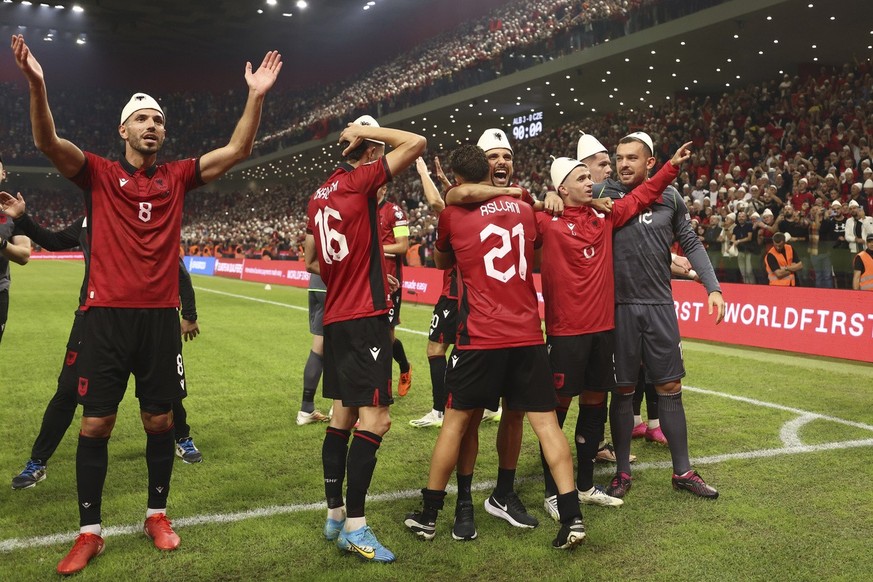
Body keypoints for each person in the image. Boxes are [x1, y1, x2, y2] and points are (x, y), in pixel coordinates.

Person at [11, 34, 282, 574]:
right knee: (95, 427)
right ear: (124, 130)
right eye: (143, 119)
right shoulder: (97, 174)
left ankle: (156, 514)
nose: (153, 125)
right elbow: (48, 143)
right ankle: (90, 532)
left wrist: (255, 97)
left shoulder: (177, 176)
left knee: (160, 421)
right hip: (106, 319)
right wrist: (38, 87)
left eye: (159, 119)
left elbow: (237, 152)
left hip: (160, 320)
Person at [404, 144, 586, 549]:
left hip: (480, 337)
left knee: (455, 425)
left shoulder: (453, 214)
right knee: (547, 427)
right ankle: (572, 517)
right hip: (527, 334)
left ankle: (430, 515)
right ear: (487, 169)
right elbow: (534, 255)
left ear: (456, 176)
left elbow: (441, 262)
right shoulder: (525, 207)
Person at [1, 198, 205, 490]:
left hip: (149, 321)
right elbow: (54, 240)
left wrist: (190, 314)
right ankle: (38, 461)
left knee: (162, 389)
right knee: (68, 389)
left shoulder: (144, 221)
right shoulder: (87, 222)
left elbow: (176, 267)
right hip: (93, 320)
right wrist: (22, 219)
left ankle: (182, 438)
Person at [537, 141, 692, 519]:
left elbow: (644, 194)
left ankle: (587, 485)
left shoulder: (605, 217)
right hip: (566, 333)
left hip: (603, 330)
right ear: (562, 188)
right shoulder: (543, 220)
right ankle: (553, 492)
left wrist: (671, 166)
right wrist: (542, 199)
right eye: (582, 178)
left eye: (591, 176)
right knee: (556, 413)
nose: (592, 182)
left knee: (594, 407)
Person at [304, 114, 425, 563]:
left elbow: (311, 260)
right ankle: (356, 525)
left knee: (342, 415)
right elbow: (416, 142)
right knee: (376, 421)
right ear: (372, 151)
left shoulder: (318, 196)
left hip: (336, 315)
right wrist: (374, 135)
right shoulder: (359, 181)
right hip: (363, 316)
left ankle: (335, 514)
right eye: (377, 149)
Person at [596, 131, 724, 500]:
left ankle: (683, 471)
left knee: (669, 388)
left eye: (631, 158)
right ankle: (622, 471)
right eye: (619, 158)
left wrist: (712, 286)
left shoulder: (670, 196)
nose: (622, 164)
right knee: (622, 391)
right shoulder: (604, 196)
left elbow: (690, 241)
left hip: (660, 309)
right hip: (617, 310)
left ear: (650, 162)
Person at [410, 156, 451, 429]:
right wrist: (444, 181)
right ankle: (491, 405)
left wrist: (424, 174)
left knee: (435, 349)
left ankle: (439, 410)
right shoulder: (483, 207)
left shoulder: (457, 214)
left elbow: (439, 205)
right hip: (478, 293)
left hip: (455, 293)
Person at [376, 184, 413, 396]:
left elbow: (402, 246)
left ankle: (404, 367)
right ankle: (382, 386)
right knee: (373, 334)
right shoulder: (363, 210)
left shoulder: (395, 211)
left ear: (385, 188)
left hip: (391, 282)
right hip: (369, 281)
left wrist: (374, 249)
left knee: (387, 337)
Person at [0, 154, 33, 345]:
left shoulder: (12, 212)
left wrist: (1, 243)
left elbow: (24, 255)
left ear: (3, 174)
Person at [296, 272, 331, 425]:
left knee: (318, 347)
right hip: (335, 285)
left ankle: (306, 409)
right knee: (346, 346)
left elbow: (309, 262)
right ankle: (340, 408)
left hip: (316, 285)